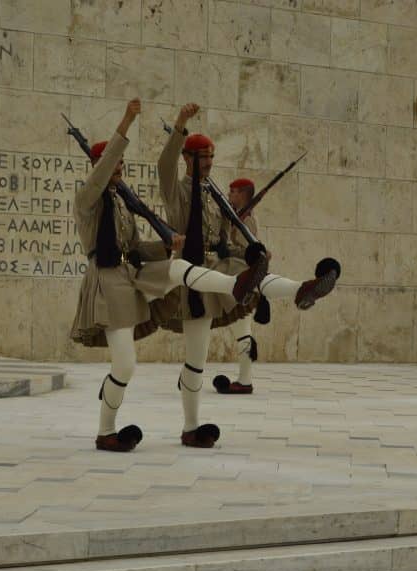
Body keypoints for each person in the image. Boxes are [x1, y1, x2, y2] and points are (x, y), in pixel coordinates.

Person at [69, 99, 268, 452]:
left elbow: (135, 247)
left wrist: (166, 244)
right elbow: (105, 173)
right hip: (106, 284)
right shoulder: (87, 201)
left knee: (177, 268)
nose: (119, 170)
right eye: (114, 165)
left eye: (121, 165)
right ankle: (106, 431)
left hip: (131, 277)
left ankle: (239, 285)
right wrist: (127, 120)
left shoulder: (121, 205)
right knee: (125, 366)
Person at [158, 103, 340, 448]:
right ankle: (191, 427)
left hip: (219, 267)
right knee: (196, 359)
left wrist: (252, 253)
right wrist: (180, 124)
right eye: (203, 158)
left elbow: (226, 241)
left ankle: (303, 289)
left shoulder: (213, 196)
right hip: (192, 275)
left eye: (212, 157)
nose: (209, 164)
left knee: (254, 275)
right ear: (188, 159)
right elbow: (164, 165)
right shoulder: (177, 191)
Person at [212, 177, 261, 395]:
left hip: (242, 277)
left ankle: (245, 380)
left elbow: (249, 252)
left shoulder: (247, 220)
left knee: (242, 329)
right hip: (234, 276)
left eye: (232, 191)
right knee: (241, 328)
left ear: (242, 194)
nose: (229, 194)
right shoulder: (238, 216)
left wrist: (227, 249)